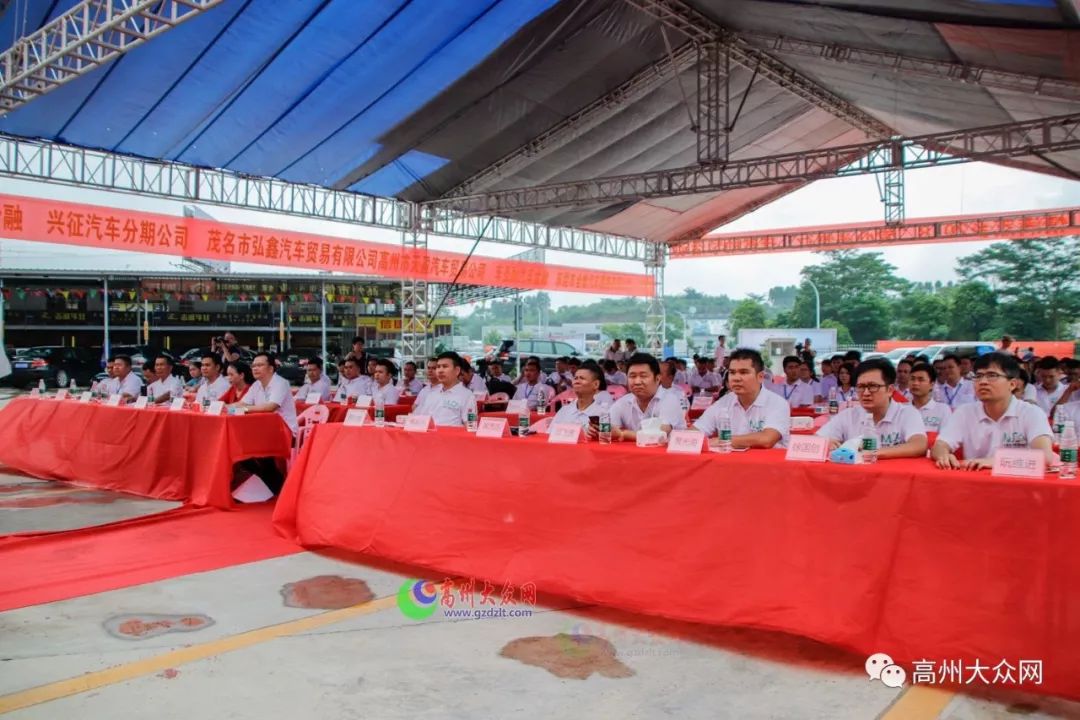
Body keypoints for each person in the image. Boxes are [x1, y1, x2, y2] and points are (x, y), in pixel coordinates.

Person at [932, 352, 1054, 471]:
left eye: (992, 376)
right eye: (978, 376)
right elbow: (940, 445)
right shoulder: (964, 412)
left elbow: (1044, 457)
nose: (983, 382)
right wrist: (944, 456)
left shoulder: (1032, 413)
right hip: (974, 483)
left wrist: (995, 461)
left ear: (1012, 384)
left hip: (1017, 484)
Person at [817, 358, 927, 459]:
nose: (865, 393)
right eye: (860, 387)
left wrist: (873, 453)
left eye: (873, 386)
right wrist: (827, 442)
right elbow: (817, 439)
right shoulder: (848, 415)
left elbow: (919, 444)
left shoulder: (907, 413)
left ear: (890, 390)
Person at [693, 349, 790, 449]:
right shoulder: (723, 402)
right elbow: (695, 431)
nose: (736, 378)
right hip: (731, 463)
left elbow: (766, 439)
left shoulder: (777, 403)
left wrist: (721, 440)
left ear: (760, 377)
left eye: (743, 372)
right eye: (732, 372)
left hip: (768, 463)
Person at [232, 353, 296, 495]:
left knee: (253, 449)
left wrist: (243, 409)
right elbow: (242, 403)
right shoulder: (256, 385)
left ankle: (275, 486)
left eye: (260, 365)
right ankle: (267, 484)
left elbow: (270, 407)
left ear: (271, 368)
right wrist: (225, 407)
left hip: (284, 430)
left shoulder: (281, 383)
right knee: (237, 446)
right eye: (254, 365)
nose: (255, 368)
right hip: (264, 431)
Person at [607, 353, 686, 441]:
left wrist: (623, 434)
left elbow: (659, 434)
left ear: (657, 379)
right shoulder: (623, 402)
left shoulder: (670, 399)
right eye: (632, 376)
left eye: (643, 376)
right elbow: (608, 427)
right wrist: (597, 430)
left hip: (669, 453)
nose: (637, 382)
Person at [413, 352, 475, 427]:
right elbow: (417, 418)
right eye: (438, 367)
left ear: (457, 370)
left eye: (445, 366)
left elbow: (471, 426)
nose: (440, 370)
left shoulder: (467, 396)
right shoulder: (431, 394)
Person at [552, 361, 607, 437]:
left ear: (596, 384)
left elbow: (605, 441)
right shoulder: (564, 410)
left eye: (582, 378)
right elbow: (549, 435)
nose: (577, 381)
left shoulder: (603, 414)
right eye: (575, 378)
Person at [908, 362, 951, 432]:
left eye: (921, 380)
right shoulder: (901, 409)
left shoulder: (943, 410)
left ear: (931, 384)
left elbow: (947, 438)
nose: (915, 383)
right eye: (912, 379)